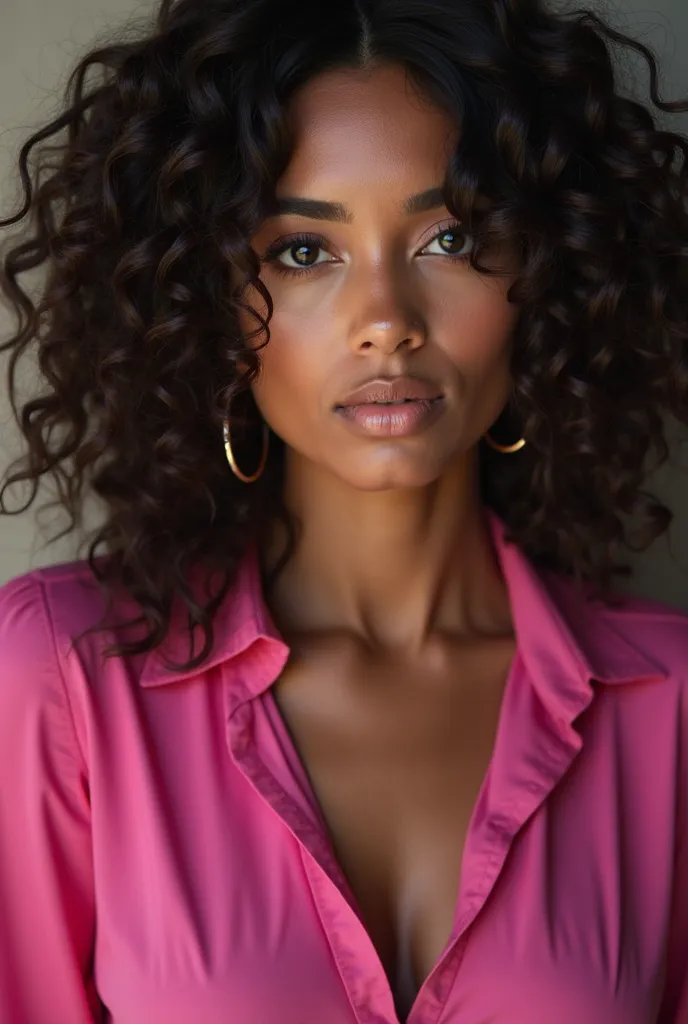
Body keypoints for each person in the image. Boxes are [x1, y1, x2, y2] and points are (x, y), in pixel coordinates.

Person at [0, 0, 687, 1020]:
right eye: (303, 253)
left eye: (449, 236)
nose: (385, 324)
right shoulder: (65, 675)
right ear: (204, 302)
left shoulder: (667, 705)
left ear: (544, 274)